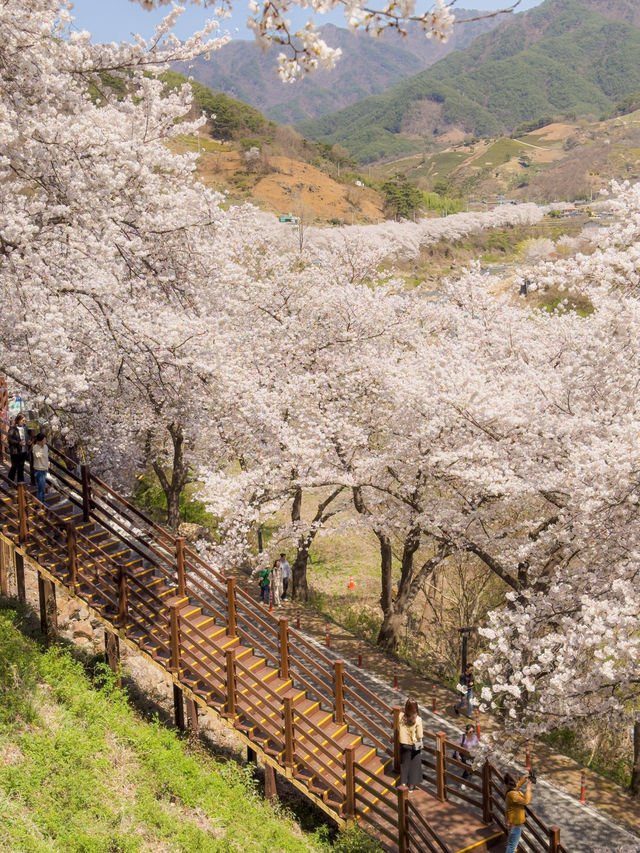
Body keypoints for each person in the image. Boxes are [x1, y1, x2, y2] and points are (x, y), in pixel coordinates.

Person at [397, 697, 423, 792]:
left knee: (404, 764)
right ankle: (411, 786)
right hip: (414, 745)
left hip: (403, 743)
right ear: (416, 708)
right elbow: (420, 735)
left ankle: (403, 784)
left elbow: (398, 728)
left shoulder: (400, 716)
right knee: (415, 764)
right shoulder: (418, 720)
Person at [503, 771, 533, 853]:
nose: (518, 781)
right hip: (515, 826)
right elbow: (526, 801)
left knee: (511, 843)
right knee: (512, 847)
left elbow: (517, 785)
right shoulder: (512, 795)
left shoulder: (508, 789)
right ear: (513, 783)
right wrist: (528, 788)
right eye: (517, 780)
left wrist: (525, 778)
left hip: (511, 823)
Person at [8, 413, 30, 484]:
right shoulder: (13, 428)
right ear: (18, 420)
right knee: (14, 466)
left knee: (21, 466)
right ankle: (10, 481)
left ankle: (21, 483)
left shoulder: (25, 428)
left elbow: (27, 437)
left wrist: (28, 442)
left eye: (24, 421)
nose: (24, 422)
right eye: (23, 420)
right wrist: (18, 443)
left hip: (23, 450)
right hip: (15, 451)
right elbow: (10, 439)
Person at [32, 433, 49, 504]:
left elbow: (46, 457)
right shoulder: (35, 447)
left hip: (44, 469)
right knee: (40, 488)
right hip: (38, 469)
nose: (45, 441)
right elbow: (37, 455)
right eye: (44, 440)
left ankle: (42, 502)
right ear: (40, 440)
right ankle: (39, 504)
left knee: (42, 487)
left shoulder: (46, 447)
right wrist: (40, 447)